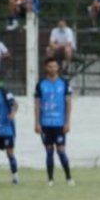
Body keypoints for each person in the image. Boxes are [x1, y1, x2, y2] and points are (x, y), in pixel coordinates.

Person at [35, 57, 74, 186]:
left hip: (59, 123)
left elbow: (68, 103)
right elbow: (37, 104)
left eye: (54, 66)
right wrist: (37, 122)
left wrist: (67, 122)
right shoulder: (40, 84)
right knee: (49, 151)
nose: (52, 68)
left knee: (61, 151)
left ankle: (68, 177)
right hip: (46, 123)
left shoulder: (64, 83)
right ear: (46, 68)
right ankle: (50, 179)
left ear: (58, 68)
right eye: (50, 66)